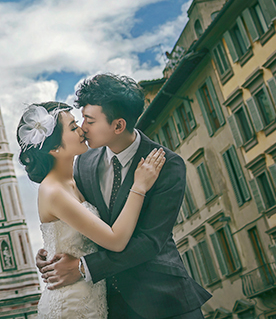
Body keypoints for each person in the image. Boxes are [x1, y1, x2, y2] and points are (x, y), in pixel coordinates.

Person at [35, 74, 212, 318]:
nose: (83, 127)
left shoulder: (167, 165)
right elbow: (80, 222)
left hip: (161, 302)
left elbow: (149, 242)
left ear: (118, 125)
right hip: (106, 305)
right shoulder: (84, 163)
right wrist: (51, 251)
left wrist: (84, 267)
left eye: (89, 120)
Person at [18, 100, 165, 318]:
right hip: (72, 304)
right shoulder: (54, 191)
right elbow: (115, 240)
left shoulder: (73, 179)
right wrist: (139, 186)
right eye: (72, 127)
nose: (81, 129)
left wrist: (47, 254)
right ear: (55, 148)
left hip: (91, 296)